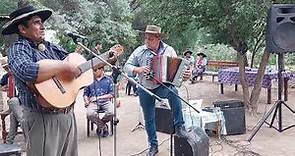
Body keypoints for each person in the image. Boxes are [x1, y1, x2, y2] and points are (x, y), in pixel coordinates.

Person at [2, 5, 80, 156]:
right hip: (43, 118)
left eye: (42, 22)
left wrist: (100, 61)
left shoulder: (53, 48)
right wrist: (64, 65)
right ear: (23, 29)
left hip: (68, 115)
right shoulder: (18, 49)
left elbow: (73, 69)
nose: (43, 26)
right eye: (37, 22)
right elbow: (26, 71)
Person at [124, 25, 191, 156]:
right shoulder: (139, 51)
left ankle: (179, 126)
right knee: (149, 118)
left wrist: (186, 75)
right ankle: (153, 146)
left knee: (173, 93)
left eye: (150, 39)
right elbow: (127, 66)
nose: (146, 41)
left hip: (161, 86)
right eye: (145, 38)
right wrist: (138, 69)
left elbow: (178, 75)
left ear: (158, 38)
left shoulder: (169, 50)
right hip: (144, 88)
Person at [83, 66, 114, 137]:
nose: (93, 72)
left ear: (101, 70)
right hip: (93, 103)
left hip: (106, 101)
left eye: (95, 70)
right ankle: (103, 126)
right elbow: (85, 94)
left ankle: (100, 125)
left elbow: (112, 94)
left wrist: (98, 98)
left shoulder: (109, 80)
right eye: (93, 70)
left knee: (112, 112)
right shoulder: (89, 80)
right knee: (89, 114)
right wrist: (86, 100)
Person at [0, 57, 23, 144]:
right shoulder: (6, 77)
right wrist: (3, 88)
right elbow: (0, 86)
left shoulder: (20, 74)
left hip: (24, 102)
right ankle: (25, 126)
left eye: (8, 67)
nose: (7, 69)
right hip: (13, 104)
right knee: (12, 101)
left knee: (13, 115)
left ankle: (9, 142)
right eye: (5, 68)